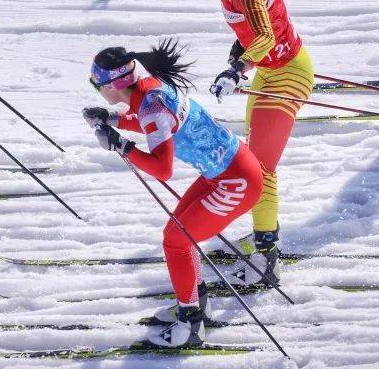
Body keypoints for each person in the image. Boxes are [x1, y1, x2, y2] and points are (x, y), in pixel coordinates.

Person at [83, 41, 263, 349]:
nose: (95, 88)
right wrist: (112, 120)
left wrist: (122, 145)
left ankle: (190, 324)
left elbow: (162, 169)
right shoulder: (149, 88)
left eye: (94, 83)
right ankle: (195, 303)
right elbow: (153, 122)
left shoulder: (150, 104)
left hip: (236, 181)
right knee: (178, 233)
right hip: (225, 172)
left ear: (112, 85)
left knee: (176, 240)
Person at [183, 0, 314, 286]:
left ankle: (268, 259)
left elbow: (266, 37)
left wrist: (237, 69)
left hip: (287, 73)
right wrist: (236, 54)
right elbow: (249, 31)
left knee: (261, 169)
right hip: (271, 73)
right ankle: (261, 232)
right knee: (254, 163)